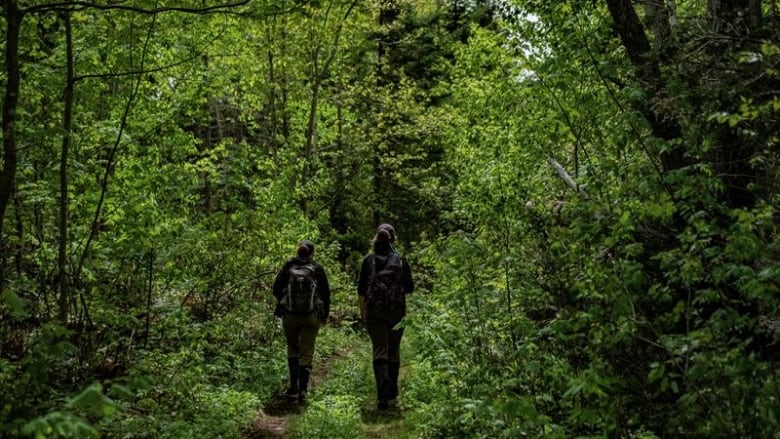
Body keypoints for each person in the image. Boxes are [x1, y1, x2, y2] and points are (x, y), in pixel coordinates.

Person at [358, 224, 414, 409]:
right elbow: (410, 287)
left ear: (376, 238)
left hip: (374, 311)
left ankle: (382, 397)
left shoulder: (368, 260)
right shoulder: (400, 260)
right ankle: (392, 392)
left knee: (379, 349)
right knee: (394, 350)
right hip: (397, 311)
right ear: (393, 239)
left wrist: (363, 311)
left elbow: (361, 290)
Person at [273, 239, 331, 403]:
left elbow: (276, 288)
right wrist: (324, 314)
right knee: (307, 352)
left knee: (293, 348)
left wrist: (285, 301)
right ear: (312, 253)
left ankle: (293, 386)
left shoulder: (288, 266)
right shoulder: (316, 268)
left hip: (290, 316)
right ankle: (303, 391)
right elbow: (326, 294)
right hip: (311, 316)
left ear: (297, 251)